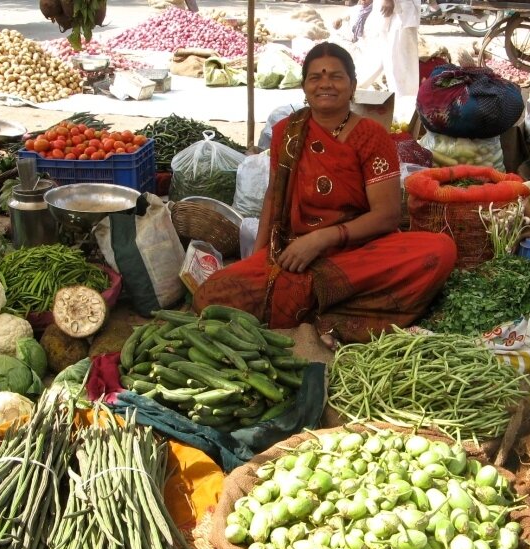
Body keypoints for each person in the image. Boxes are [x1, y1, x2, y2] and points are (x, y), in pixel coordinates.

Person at [192, 42, 457, 347]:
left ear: (353, 85)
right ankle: (321, 305)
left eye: (336, 76)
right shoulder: (287, 133)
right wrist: (259, 259)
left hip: (359, 252)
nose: (325, 84)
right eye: (315, 77)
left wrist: (320, 239)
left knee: (439, 250)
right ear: (304, 86)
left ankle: (328, 316)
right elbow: (273, 198)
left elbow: (386, 216)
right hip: (294, 255)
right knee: (211, 295)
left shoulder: (372, 136)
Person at [354, 0, 421, 122]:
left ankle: (353, 89)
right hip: (397, 11)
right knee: (400, 66)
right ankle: (404, 113)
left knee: (387, 59)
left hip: (401, 12)